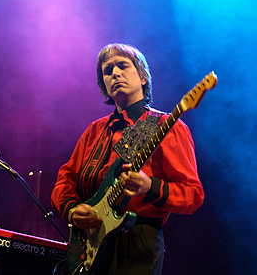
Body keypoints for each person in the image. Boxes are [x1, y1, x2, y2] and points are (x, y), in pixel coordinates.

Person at [51, 43, 204, 275]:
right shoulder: (95, 130)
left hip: (137, 242)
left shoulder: (165, 126)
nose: (115, 73)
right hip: (89, 245)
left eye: (122, 66)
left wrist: (148, 186)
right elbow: (65, 180)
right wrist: (72, 210)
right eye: (107, 70)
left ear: (143, 77)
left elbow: (192, 194)